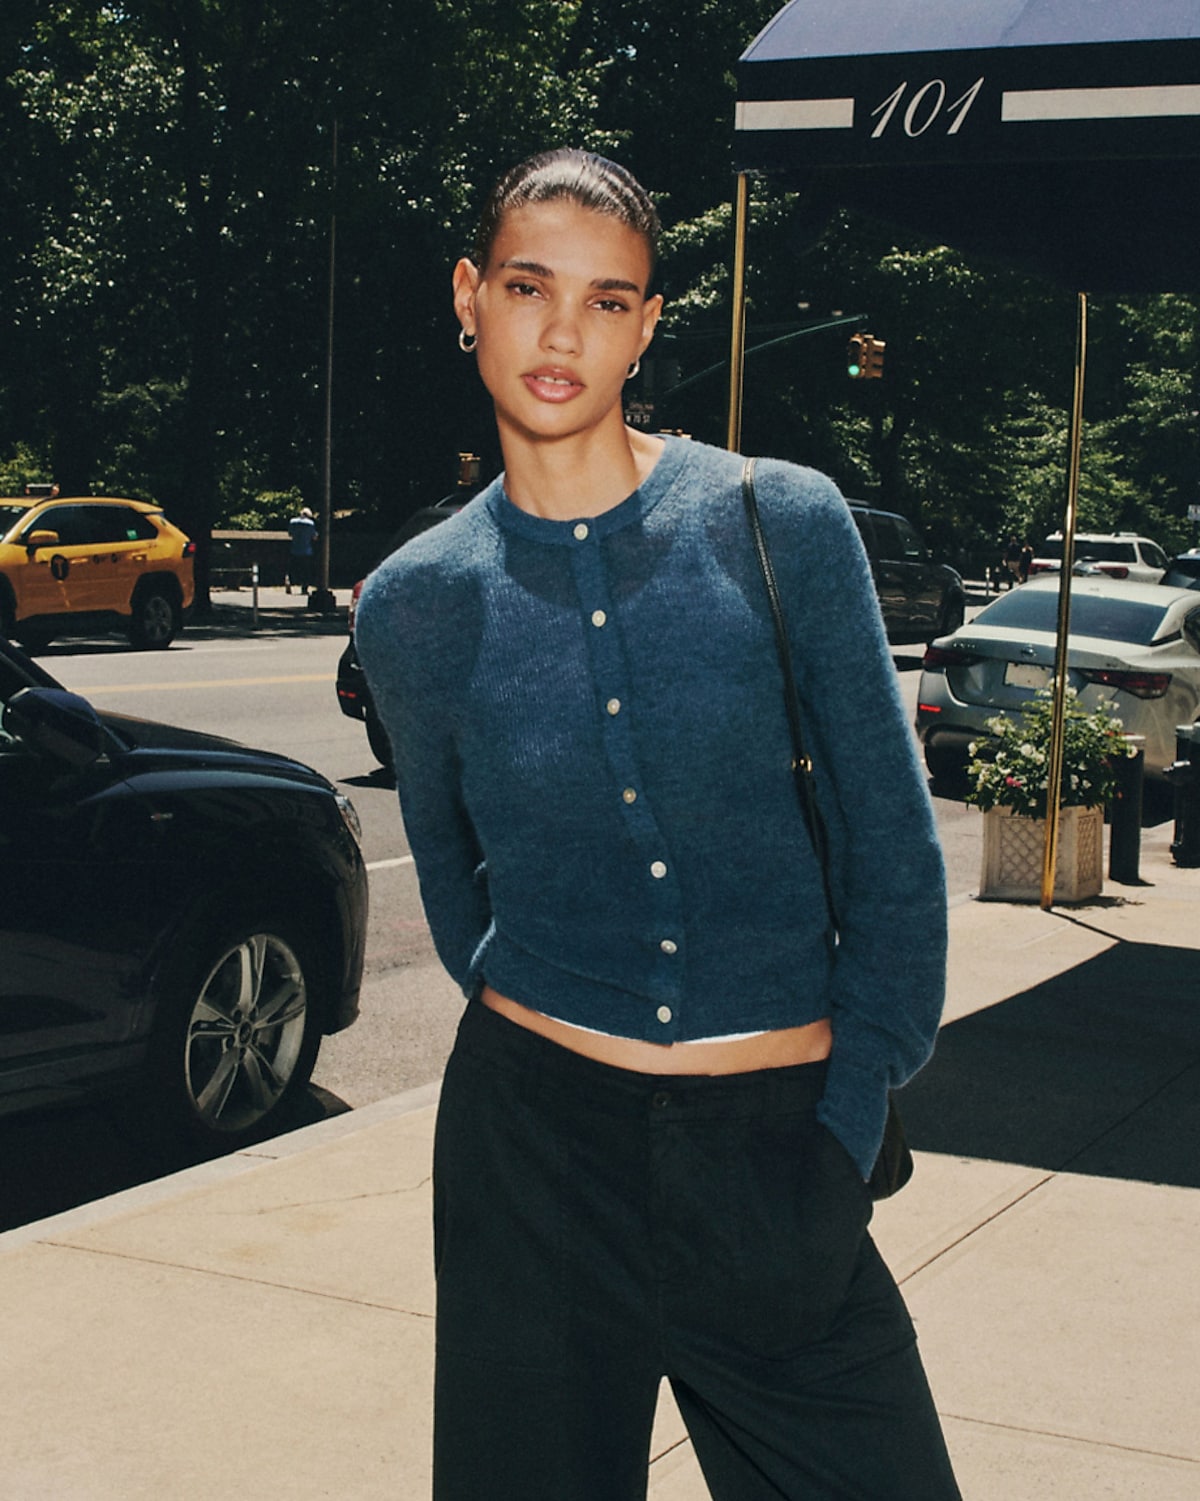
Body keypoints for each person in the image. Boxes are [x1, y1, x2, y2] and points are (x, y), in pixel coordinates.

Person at [355, 148, 960, 1501]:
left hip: (778, 1151)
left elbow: (892, 848)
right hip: (533, 1167)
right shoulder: (413, 604)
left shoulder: (777, 522)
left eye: (609, 299)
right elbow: (455, 890)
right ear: (471, 295)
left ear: (645, 326)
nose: (564, 331)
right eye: (528, 285)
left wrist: (846, 1115)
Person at [286, 505, 317, 593]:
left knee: (293, 568)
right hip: (306, 550)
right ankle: (304, 587)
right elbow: (313, 536)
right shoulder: (310, 524)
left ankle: (289, 580)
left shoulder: (292, 521)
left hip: (294, 549)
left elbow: (290, 534)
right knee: (305, 570)